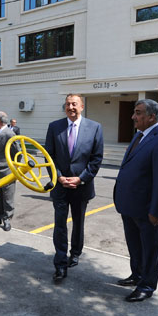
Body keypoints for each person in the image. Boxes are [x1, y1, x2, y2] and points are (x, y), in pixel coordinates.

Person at [113, 99, 158, 302]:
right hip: (130, 206)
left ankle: (147, 285)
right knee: (135, 247)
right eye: (134, 112)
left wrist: (155, 212)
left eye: (138, 113)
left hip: (149, 211)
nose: (133, 117)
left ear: (151, 117)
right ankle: (137, 275)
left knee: (151, 250)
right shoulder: (139, 136)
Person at [44, 94, 104, 283]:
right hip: (60, 186)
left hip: (81, 187)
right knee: (60, 225)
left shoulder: (95, 128)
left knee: (78, 222)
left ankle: (75, 252)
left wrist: (81, 179)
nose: (71, 107)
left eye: (74, 104)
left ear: (82, 106)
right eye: (68, 104)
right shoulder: (55, 127)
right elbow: (49, 156)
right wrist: (59, 176)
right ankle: (60, 265)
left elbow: (96, 158)